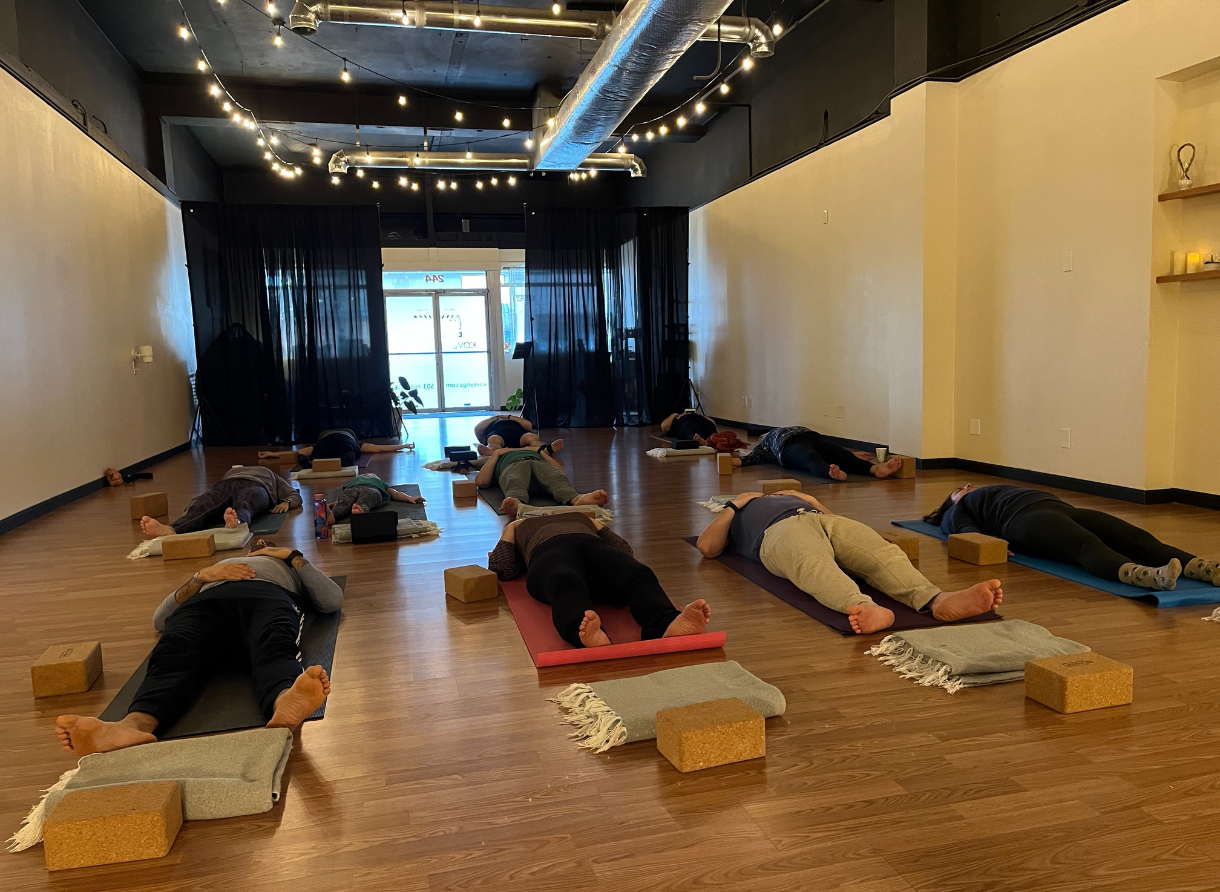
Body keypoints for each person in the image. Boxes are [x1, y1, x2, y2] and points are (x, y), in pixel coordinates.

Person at [55, 541, 341, 756]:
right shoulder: (218, 568)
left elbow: (331, 600)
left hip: (265, 596)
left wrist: (291, 557)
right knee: (173, 653)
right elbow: (160, 619)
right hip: (203, 605)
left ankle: (284, 702)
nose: (260, 545)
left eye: (267, 545)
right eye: (257, 544)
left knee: (273, 643)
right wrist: (200, 577)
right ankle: (133, 726)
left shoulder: (285, 564)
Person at [697, 490, 1002, 634]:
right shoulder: (736, 514)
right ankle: (864, 606)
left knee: (880, 552)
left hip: (822, 520)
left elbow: (833, 518)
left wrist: (811, 501)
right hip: (777, 533)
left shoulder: (799, 501)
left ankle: (938, 599)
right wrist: (734, 505)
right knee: (813, 564)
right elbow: (707, 547)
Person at [925, 483, 1220, 591]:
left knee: (1138, 538)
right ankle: (1146, 576)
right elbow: (963, 532)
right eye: (958, 489)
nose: (965, 486)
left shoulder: (989, 490)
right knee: (1085, 545)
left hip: (1065, 508)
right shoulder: (957, 508)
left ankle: (1204, 568)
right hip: (1025, 521)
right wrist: (990, 545)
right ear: (950, 499)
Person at [489, 514, 711, 648]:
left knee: (637, 573)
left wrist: (595, 523)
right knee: (565, 580)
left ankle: (667, 623)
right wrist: (511, 527)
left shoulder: (582, 517)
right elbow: (503, 568)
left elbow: (624, 550)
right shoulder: (521, 525)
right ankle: (586, 633)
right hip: (549, 550)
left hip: (595, 547)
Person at [140, 466, 302, 538]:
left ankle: (237, 522)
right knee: (206, 504)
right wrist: (190, 509)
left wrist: (286, 502)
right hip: (227, 483)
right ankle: (171, 529)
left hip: (256, 485)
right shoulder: (232, 472)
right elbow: (206, 496)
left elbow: (294, 495)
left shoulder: (270, 475)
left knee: (246, 502)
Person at [475, 444, 608, 519]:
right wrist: (497, 454)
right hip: (514, 465)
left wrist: (540, 451)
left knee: (556, 477)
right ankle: (517, 503)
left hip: (538, 463)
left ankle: (577, 499)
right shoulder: (499, 455)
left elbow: (560, 471)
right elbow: (481, 481)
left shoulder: (536, 452)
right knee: (514, 480)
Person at [729, 426, 904, 481]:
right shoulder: (763, 445)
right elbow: (748, 459)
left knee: (839, 453)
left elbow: (837, 450)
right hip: (788, 447)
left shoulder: (774, 433)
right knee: (810, 458)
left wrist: (850, 454)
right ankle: (831, 472)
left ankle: (875, 470)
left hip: (811, 437)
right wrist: (733, 460)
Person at [259, 428, 410, 469]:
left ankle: (311, 463)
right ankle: (346, 461)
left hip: (325, 443)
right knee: (350, 451)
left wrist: (271, 454)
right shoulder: (355, 441)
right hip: (347, 443)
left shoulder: (323, 438)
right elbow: (379, 449)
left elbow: (296, 452)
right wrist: (402, 446)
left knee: (317, 453)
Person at [325, 472, 425, 524]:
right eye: (365, 474)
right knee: (345, 499)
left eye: (372, 475)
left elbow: (395, 493)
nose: (368, 474)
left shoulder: (379, 482)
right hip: (352, 489)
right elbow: (343, 496)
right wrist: (335, 503)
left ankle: (361, 510)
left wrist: (409, 498)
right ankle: (333, 515)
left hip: (372, 489)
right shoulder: (354, 481)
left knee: (367, 497)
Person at [473, 414, 564, 457]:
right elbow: (478, 429)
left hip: (519, 432)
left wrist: (508, 416)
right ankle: (492, 451)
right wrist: (495, 418)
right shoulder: (491, 423)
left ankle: (545, 449)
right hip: (498, 433)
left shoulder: (515, 421)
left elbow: (528, 425)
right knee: (494, 440)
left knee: (533, 437)